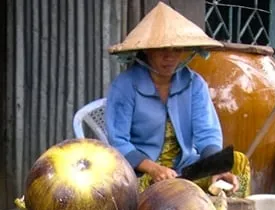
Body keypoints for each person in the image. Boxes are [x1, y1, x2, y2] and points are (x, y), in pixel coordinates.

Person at [104, 2, 251, 197]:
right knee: (136, 191)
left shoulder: (194, 84)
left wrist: (216, 168)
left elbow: (207, 133)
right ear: (147, 50)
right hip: (141, 173)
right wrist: (154, 169)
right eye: (161, 49)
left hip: (185, 169)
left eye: (176, 49)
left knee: (238, 163)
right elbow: (118, 141)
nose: (169, 57)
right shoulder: (125, 85)